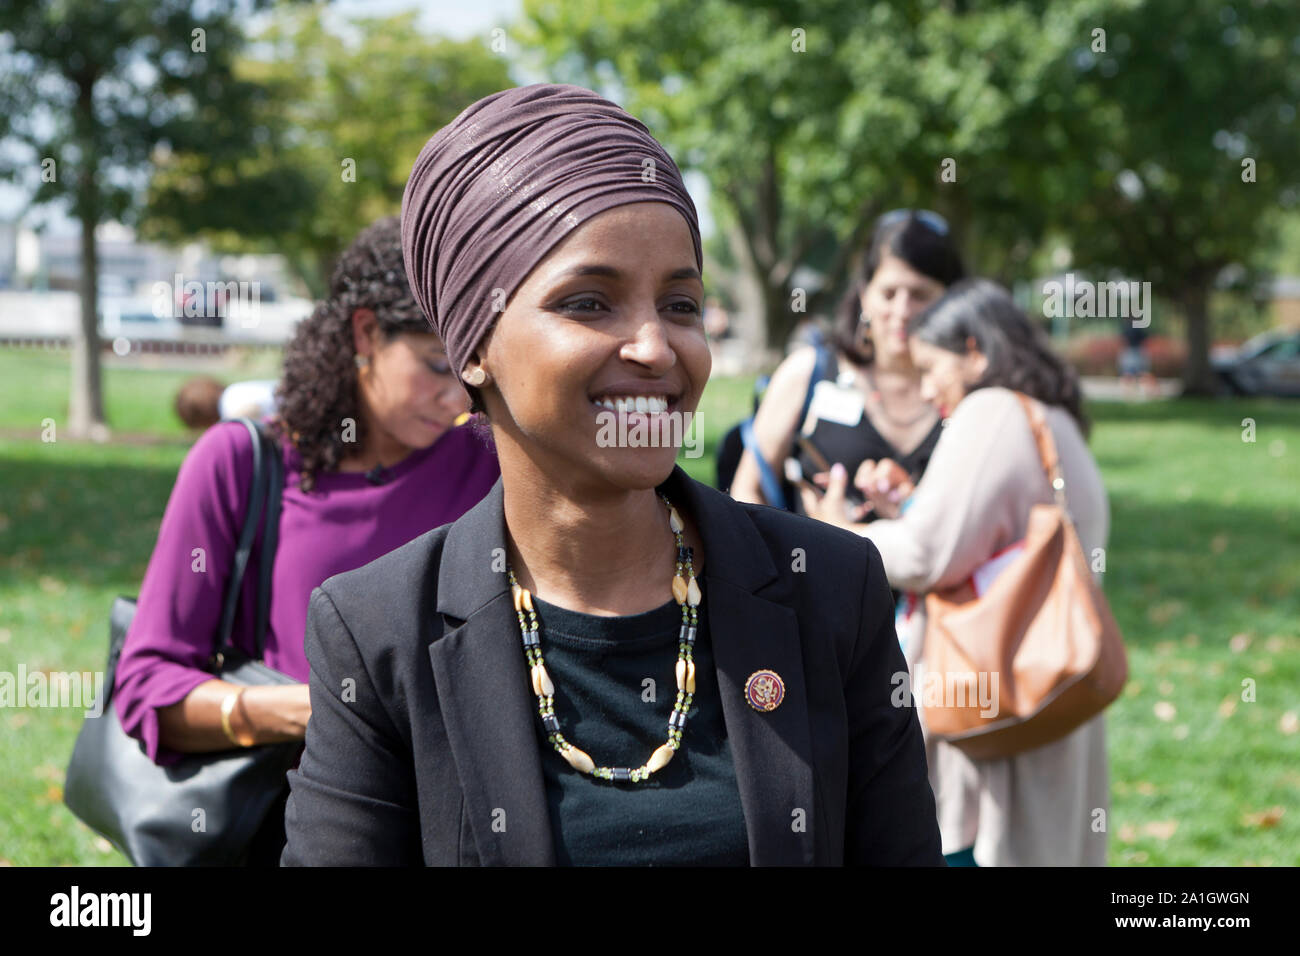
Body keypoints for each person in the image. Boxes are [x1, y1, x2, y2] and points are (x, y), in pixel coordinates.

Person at [281, 84, 943, 867]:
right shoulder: (382, 632)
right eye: (590, 302)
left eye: (682, 304)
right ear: (473, 347)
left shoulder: (829, 591)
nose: (656, 348)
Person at [112, 216, 500, 864]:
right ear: (367, 332)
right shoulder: (239, 463)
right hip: (292, 826)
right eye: (436, 365)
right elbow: (150, 686)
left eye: (471, 370)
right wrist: (317, 712)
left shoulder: (491, 461)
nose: (457, 396)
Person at [802, 278, 1111, 867]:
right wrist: (909, 508)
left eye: (931, 368)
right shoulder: (1054, 417)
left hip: (988, 708)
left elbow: (925, 557)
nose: (926, 389)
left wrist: (836, 530)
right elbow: (988, 538)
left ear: (975, 351)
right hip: (1043, 689)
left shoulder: (990, 409)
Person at [728, 210, 964, 517]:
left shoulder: (973, 388)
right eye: (889, 293)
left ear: (950, 299)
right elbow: (747, 490)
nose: (903, 310)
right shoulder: (807, 372)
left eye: (920, 294)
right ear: (865, 295)